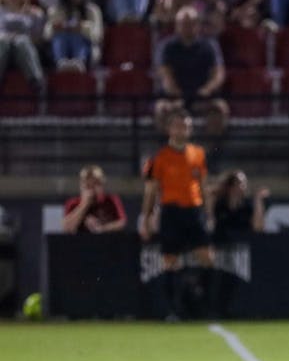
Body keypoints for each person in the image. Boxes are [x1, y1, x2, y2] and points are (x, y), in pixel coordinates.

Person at [140, 111, 214, 321]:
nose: (183, 130)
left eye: (186, 126)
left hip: (194, 210)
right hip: (171, 211)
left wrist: (208, 214)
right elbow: (151, 190)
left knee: (207, 258)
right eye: (179, 126)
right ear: (170, 129)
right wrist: (146, 217)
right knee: (170, 261)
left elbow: (203, 185)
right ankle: (174, 309)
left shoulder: (198, 153)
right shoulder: (160, 157)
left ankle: (203, 306)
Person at [155, 7, 229, 137]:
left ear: (197, 25)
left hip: (202, 97)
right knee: (161, 109)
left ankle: (210, 151)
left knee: (220, 108)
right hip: (175, 98)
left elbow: (218, 73)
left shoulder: (209, 46)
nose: (186, 27)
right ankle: (169, 151)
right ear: (176, 25)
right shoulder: (167, 46)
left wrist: (207, 90)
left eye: (190, 24)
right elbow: (165, 74)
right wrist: (176, 94)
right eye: (183, 24)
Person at [208, 169, 268, 317]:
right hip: (219, 248)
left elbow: (258, 227)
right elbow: (210, 217)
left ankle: (229, 311)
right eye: (240, 183)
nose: (243, 187)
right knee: (216, 281)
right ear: (231, 186)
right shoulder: (219, 204)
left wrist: (258, 201)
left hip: (239, 251)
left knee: (232, 283)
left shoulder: (246, 207)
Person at [44, 0, 103, 71]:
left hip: (85, 48)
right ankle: (61, 62)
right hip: (60, 46)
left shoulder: (93, 10)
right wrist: (55, 27)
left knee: (77, 36)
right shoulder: (55, 10)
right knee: (60, 36)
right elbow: (46, 34)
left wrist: (82, 28)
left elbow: (97, 35)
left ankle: (79, 61)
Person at [0, 0, 44, 89]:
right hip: (2, 49)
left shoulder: (34, 13)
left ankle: (36, 80)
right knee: (3, 41)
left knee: (22, 41)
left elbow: (39, 39)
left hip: (24, 51)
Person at [62, 165, 127, 235]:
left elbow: (121, 222)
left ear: (101, 185)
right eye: (87, 186)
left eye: (95, 185)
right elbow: (67, 228)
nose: (91, 190)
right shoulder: (73, 203)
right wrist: (84, 205)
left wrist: (102, 228)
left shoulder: (111, 200)